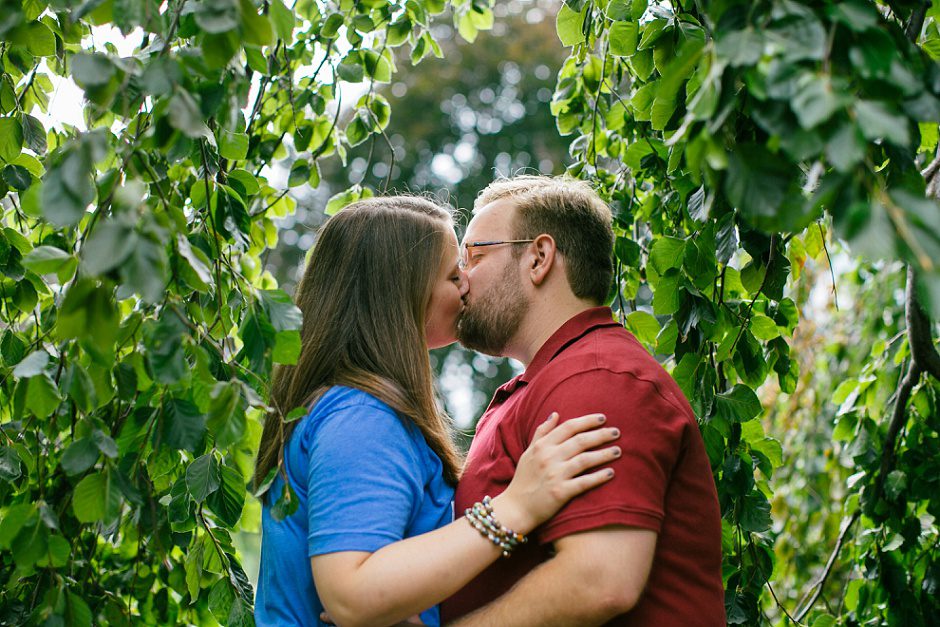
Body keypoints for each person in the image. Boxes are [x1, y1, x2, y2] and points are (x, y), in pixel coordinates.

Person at [252, 196, 622, 627]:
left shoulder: (355, 408)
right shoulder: (361, 417)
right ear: (400, 291)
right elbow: (351, 595)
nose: (466, 285)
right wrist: (517, 506)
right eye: (452, 274)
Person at [441, 176, 726, 625]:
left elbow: (599, 579)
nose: (460, 279)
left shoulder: (597, 376)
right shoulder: (560, 378)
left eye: (474, 256)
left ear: (539, 257)